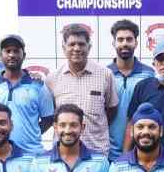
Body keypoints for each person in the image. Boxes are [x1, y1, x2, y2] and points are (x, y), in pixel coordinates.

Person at [45, 24, 118, 156]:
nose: (77, 48)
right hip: (63, 154)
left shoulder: (105, 75)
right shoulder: (52, 78)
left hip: (96, 152)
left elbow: (111, 110)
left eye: (81, 44)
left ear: (89, 47)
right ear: (64, 47)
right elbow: (50, 114)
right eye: (72, 44)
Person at [0, 34, 54, 154]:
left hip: (31, 153)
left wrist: (32, 132)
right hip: (1, 155)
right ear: (1, 55)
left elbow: (48, 118)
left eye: (16, 51)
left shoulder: (38, 86)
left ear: (23, 55)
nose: (12, 55)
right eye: (8, 51)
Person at [107, 19, 154, 161]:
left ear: (136, 43)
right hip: (107, 151)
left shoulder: (149, 74)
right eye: (120, 39)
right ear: (114, 43)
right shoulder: (104, 73)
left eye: (129, 39)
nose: (125, 43)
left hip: (140, 151)